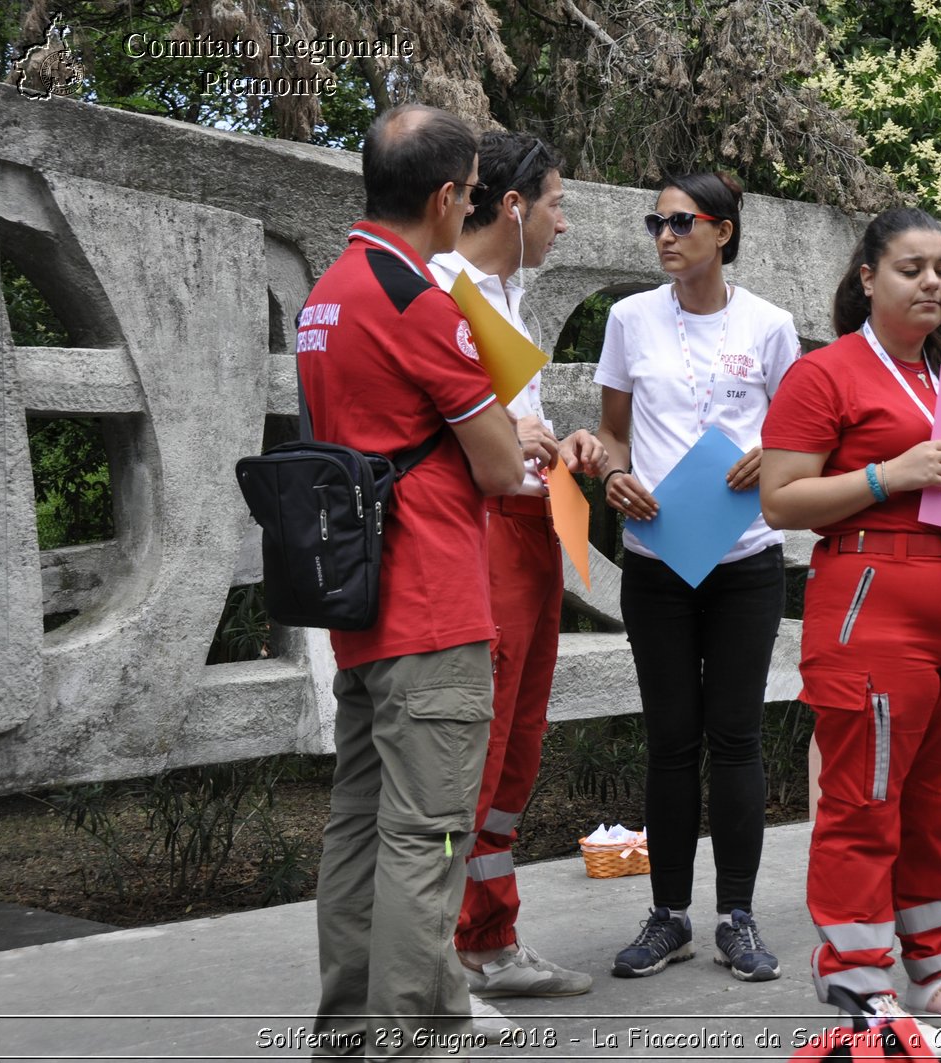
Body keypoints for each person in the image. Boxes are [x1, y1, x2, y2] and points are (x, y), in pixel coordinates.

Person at [301, 104, 535, 1057]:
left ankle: (350, 1033)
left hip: (360, 608)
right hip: (432, 607)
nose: (472, 206)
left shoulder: (332, 288)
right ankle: (412, 1039)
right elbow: (493, 466)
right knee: (430, 840)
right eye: (473, 193)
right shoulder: (417, 302)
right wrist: (515, 440)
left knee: (359, 826)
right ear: (445, 197)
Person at [759, 206, 941, 1047]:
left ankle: (936, 976)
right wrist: (885, 473)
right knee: (865, 798)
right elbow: (783, 499)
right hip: (874, 593)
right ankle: (862, 984)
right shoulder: (823, 374)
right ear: (868, 277)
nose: (932, 281)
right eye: (912, 267)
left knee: (939, 799)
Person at [593, 172, 801, 982]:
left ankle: (736, 917)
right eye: (657, 222)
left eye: (681, 222)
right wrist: (611, 478)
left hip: (746, 559)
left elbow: (803, 434)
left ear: (724, 232)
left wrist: (775, 455)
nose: (664, 235)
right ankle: (669, 914)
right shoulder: (628, 319)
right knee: (671, 742)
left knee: (737, 737)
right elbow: (612, 434)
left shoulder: (772, 326)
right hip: (655, 560)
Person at [427, 132, 602, 1026]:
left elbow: (512, 419)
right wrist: (512, 441)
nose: (564, 223)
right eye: (556, 204)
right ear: (511, 207)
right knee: (469, 755)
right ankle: (439, 970)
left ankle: (490, 941)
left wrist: (558, 439)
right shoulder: (443, 289)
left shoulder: (506, 294)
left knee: (518, 749)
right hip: (479, 536)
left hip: (536, 528)